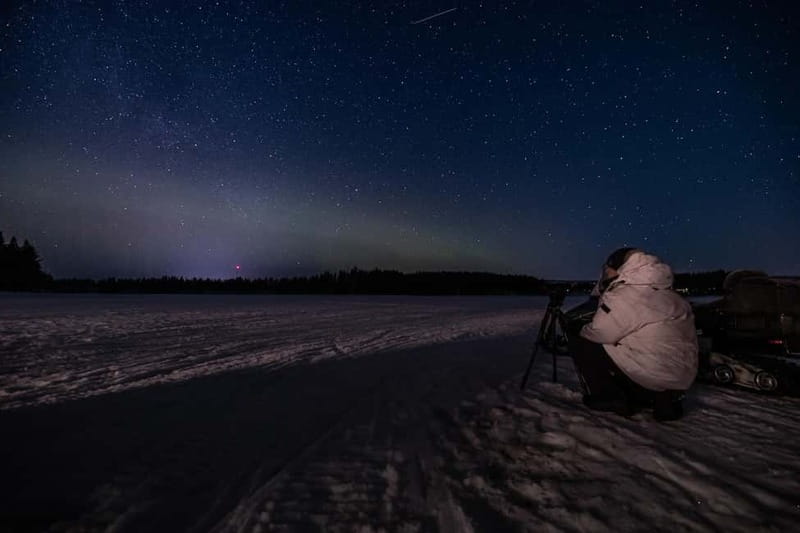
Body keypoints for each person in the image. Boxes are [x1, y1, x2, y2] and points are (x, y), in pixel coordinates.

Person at [568, 248, 698, 421]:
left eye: (607, 269)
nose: (604, 274)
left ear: (621, 267)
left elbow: (601, 333)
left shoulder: (627, 294)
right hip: (681, 379)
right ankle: (665, 400)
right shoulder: (670, 294)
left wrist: (579, 329)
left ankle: (611, 397)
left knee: (585, 340)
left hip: (653, 377)